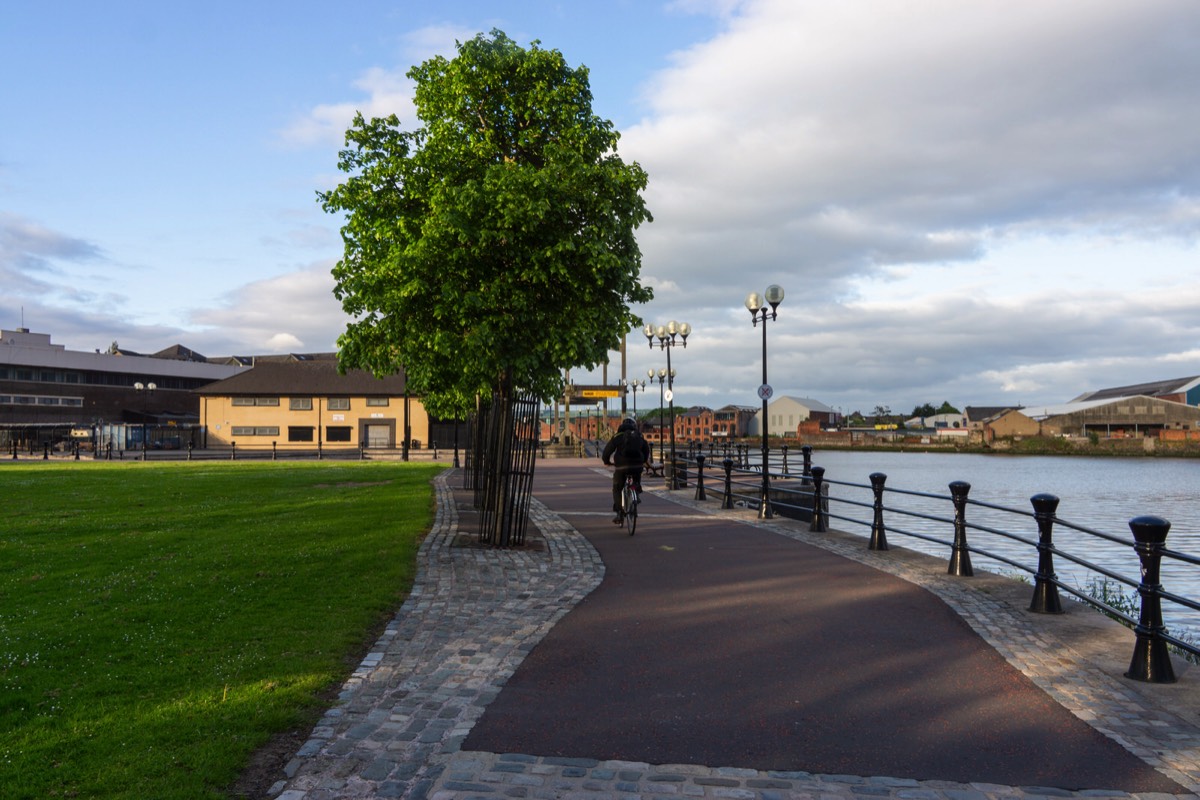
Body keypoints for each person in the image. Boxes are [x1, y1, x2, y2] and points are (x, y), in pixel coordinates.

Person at [602, 418, 651, 524]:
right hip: (637, 465)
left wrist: (607, 461)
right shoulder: (639, 436)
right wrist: (644, 461)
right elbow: (646, 450)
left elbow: (606, 452)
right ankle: (636, 490)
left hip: (621, 466)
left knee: (617, 488)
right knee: (636, 477)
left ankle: (619, 513)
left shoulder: (617, 436)